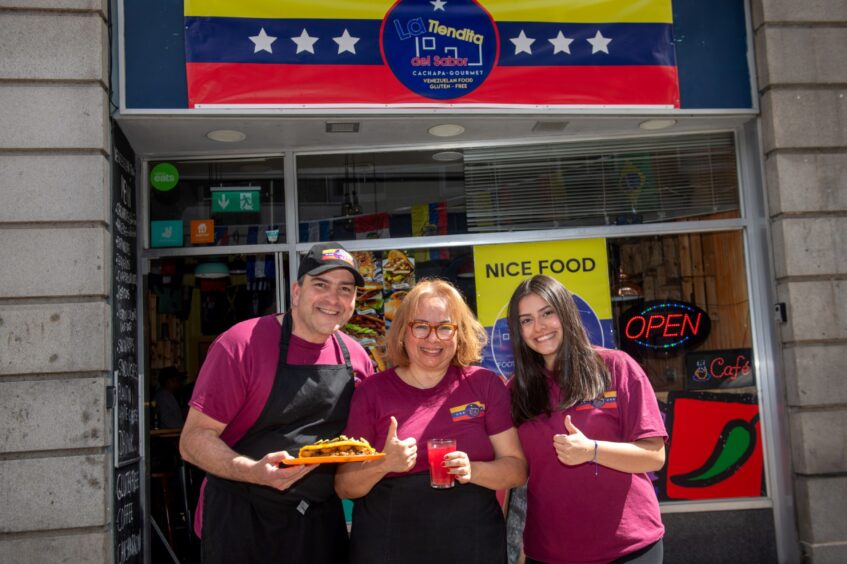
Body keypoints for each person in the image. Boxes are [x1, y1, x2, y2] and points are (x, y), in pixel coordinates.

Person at [179, 242, 375, 564]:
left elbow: (361, 444)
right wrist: (252, 471)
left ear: (354, 301)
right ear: (297, 292)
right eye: (321, 285)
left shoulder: (356, 357)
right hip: (242, 519)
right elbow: (193, 440)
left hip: (318, 525)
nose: (333, 299)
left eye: (345, 289)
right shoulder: (242, 345)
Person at [336, 278, 527, 564]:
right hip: (389, 546)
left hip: (472, 545)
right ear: (403, 332)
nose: (433, 338)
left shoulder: (484, 385)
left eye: (445, 327)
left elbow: (516, 470)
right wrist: (384, 464)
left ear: (459, 334)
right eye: (421, 326)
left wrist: (471, 470)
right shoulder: (371, 392)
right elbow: (344, 486)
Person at [507, 275, 667, 564]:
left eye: (547, 313)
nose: (539, 327)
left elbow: (654, 455)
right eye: (526, 320)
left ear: (565, 313)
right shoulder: (515, 390)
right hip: (550, 553)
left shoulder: (616, 367)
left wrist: (591, 450)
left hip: (628, 548)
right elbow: (510, 467)